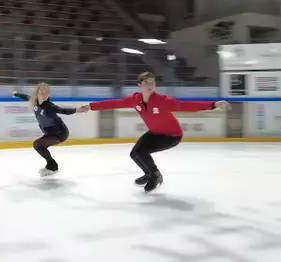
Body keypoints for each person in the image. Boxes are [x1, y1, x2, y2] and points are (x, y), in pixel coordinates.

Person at [79, 72, 230, 192]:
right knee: (135, 153)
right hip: (154, 132)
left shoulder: (163, 100)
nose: (150, 85)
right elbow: (113, 103)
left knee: (142, 153)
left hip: (171, 136)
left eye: (152, 82)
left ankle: (155, 176)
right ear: (139, 85)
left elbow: (186, 105)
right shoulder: (135, 99)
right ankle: (149, 173)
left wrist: (213, 104)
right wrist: (91, 106)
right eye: (146, 82)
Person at [12, 83, 78, 176]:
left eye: (46, 91)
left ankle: (52, 166)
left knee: (37, 144)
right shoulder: (34, 101)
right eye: (42, 90)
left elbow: (64, 111)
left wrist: (78, 109)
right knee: (40, 146)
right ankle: (51, 165)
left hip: (59, 133)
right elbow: (26, 97)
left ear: (49, 94)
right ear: (37, 92)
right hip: (50, 132)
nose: (44, 93)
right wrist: (16, 94)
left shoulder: (50, 107)